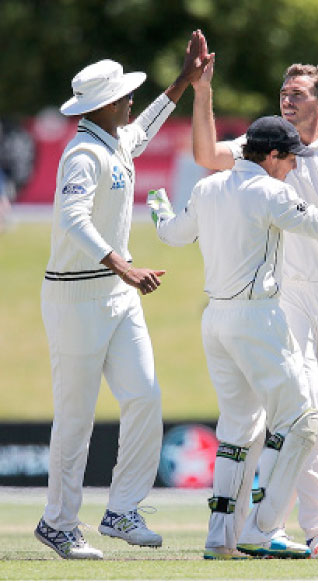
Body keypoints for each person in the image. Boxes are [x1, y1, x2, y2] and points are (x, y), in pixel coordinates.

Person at [148, 115, 318, 559]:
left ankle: (220, 538)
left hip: (215, 320)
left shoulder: (207, 187)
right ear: (272, 155)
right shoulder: (270, 191)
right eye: (290, 159)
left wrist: (159, 208)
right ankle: (262, 528)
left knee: (238, 429)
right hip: (258, 318)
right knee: (304, 420)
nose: (295, 167)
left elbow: (172, 234)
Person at [35, 31, 209, 561]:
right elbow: (71, 219)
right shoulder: (83, 154)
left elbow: (146, 125)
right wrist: (123, 264)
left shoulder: (113, 139)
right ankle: (58, 523)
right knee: (76, 417)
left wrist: (184, 79)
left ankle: (121, 510)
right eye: (126, 95)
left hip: (116, 294)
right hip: (75, 299)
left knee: (144, 397)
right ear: (107, 104)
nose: (133, 100)